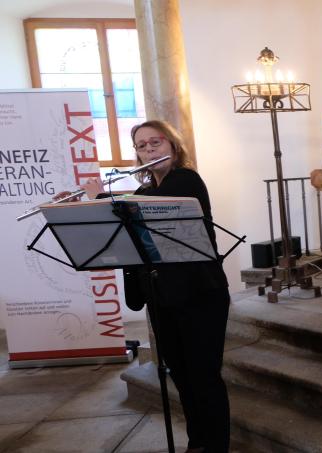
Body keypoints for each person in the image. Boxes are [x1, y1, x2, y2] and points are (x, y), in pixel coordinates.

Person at [80, 120, 231, 453]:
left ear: (173, 146)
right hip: (162, 296)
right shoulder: (146, 191)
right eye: (142, 146)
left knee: (204, 376)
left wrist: (101, 197)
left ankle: (216, 446)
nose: (149, 150)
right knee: (181, 374)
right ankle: (197, 444)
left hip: (200, 295)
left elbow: (144, 206)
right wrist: (77, 206)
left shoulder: (186, 179)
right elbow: (130, 218)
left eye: (156, 143)